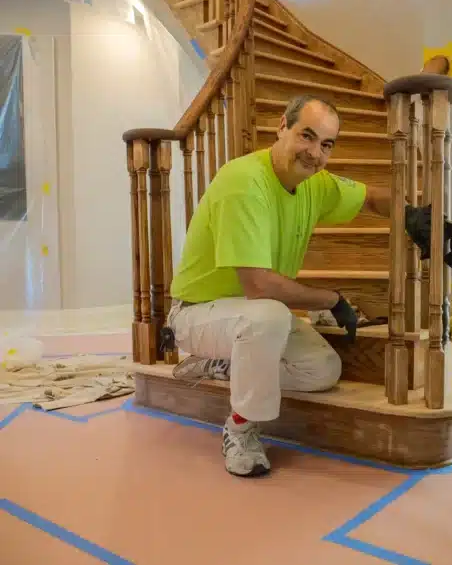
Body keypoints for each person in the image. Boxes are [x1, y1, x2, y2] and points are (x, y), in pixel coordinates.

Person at [164, 94, 435, 478]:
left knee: (321, 370)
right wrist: (332, 298)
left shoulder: (315, 184)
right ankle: (240, 430)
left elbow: (372, 197)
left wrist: (413, 215)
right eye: (306, 136)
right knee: (269, 315)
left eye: (326, 144)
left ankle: (223, 365)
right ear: (281, 127)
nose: (314, 152)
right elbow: (258, 285)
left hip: (251, 316)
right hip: (198, 312)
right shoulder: (244, 181)